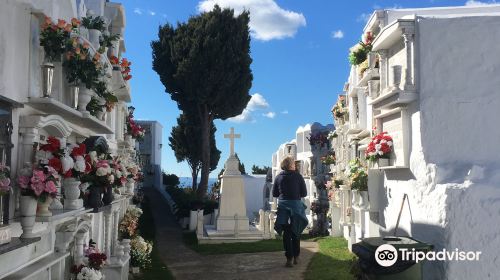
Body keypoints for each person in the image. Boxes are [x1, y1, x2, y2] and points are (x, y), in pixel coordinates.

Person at [273, 156, 308, 267]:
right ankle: (296, 257)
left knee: (286, 234)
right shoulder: (298, 176)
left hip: (283, 208)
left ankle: (289, 259)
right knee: (296, 232)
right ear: (290, 165)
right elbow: (304, 193)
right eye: (293, 163)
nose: (295, 165)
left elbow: (275, 194)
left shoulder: (278, 177)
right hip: (296, 208)